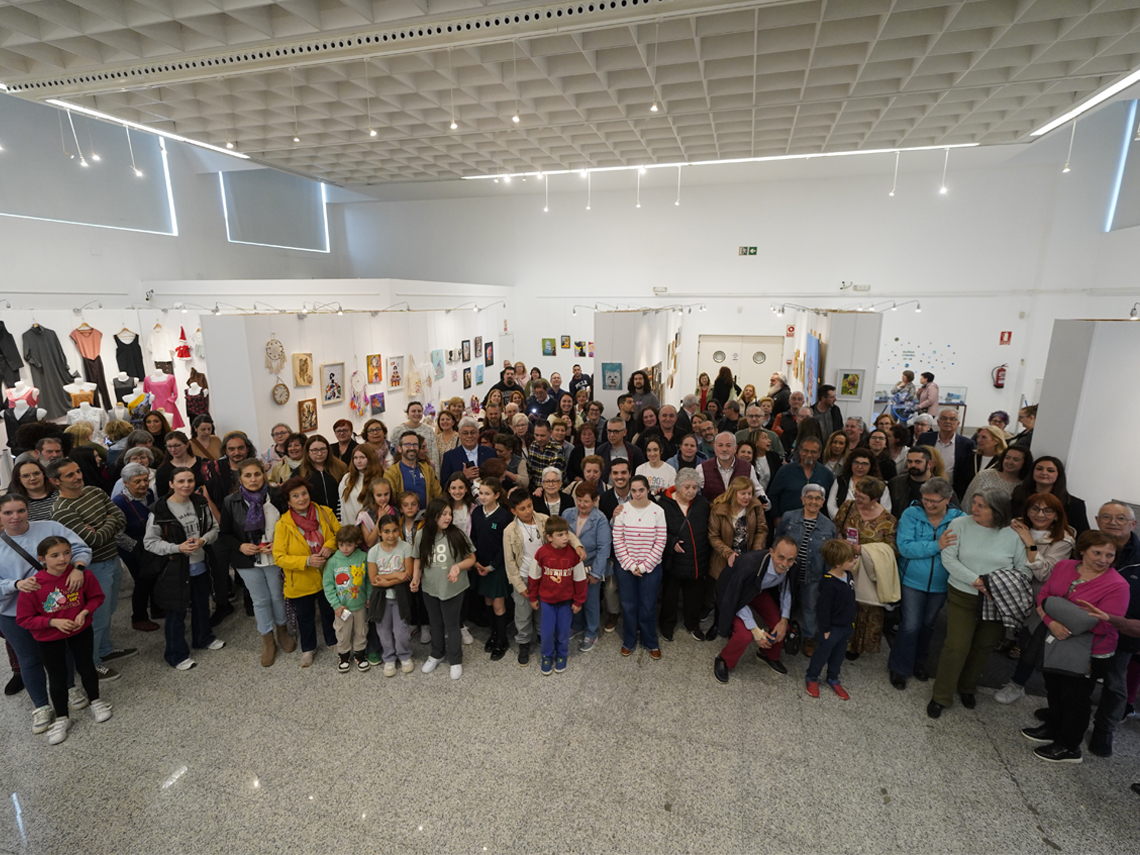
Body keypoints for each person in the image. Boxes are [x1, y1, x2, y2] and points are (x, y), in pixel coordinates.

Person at [1020, 531, 1129, 764]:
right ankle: (1053, 728)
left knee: (1075, 698)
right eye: (1097, 552)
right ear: (1082, 551)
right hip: (1056, 638)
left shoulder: (1118, 585)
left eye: (1110, 555)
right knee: (1054, 687)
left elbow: (1102, 625)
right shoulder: (1064, 566)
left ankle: (1069, 746)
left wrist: (1059, 615)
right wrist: (1052, 622)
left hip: (1091, 651)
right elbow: (1044, 598)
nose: (1103, 559)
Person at [927, 489, 1028, 719]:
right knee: (957, 645)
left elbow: (1023, 568)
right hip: (963, 594)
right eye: (975, 503)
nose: (974, 509)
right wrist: (977, 581)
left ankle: (967, 687)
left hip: (996, 599)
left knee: (983, 646)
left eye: (981, 506)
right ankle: (941, 696)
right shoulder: (960, 524)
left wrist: (997, 586)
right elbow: (949, 557)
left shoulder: (1012, 535)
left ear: (998, 510)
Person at [1, 494, 92, 735]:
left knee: (62, 648)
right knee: (29, 659)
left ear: (28, 510)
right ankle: (41, 706)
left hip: (57, 607)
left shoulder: (50, 527)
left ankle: (70, 687)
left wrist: (79, 569)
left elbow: (81, 548)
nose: (15, 517)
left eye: (20, 510)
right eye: (8, 513)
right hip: (13, 612)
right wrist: (15, 585)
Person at [16, 536, 111, 745]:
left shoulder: (82, 576)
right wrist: (52, 623)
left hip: (81, 630)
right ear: (42, 558)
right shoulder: (34, 585)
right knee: (57, 676)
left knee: (86, 667)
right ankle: (61, 717)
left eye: (67, 553)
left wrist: (84, 612)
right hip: (49, 637)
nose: (63, 559)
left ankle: (95, 701)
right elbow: (24, 619)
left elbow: (97, 597)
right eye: (55, 555)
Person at [46, 458, 131, 680]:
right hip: (93, 567)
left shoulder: (94, 491)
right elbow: (93, 541)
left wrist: (105, 524)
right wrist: (107, 521)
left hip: (113, 559)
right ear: (56, 481)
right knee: (97, 616)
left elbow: (121, 518)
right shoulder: (62, 511)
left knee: (110, 609)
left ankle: (104, 650)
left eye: (78, 471)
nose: (78, 476)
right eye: (70, 475)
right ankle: (90, 664)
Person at [993, 492, 1075, 704]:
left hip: (1037, 599)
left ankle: (1017, 684)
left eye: (1047, 510)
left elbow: (1043, 573)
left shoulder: (1064, 539)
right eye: (1035, 509)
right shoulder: (1015, 526)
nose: (1040, 514)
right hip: (1007, 590)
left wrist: (1029, 542)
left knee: (1029, 644)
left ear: (1057, 515)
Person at [144, 467, 225, 671]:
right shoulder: (159, 510)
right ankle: (176, 654)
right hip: (174, 568)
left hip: (201, 564)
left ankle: (203, 638)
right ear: (171, 484)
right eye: (180, 481)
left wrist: (204, 540)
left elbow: (215, 528)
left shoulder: (200, 502)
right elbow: (150, 542)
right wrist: (177, 548)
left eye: (189, 480)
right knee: (176, 613)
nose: (186, 485)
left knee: (201, 605)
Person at [889, 478, 964, 690]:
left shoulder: (960, 520)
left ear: (948, 500)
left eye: (935, 502)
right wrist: (937, 545)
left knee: (928, 625)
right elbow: (905, 548)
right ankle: (899, 667)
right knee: (910, 625)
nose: (929, 505)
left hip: (942, 583)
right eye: (925, 500)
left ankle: (919, 662)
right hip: (912, 580)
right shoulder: (911, 514)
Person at [218, 458, 292, 667]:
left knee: (278, 596)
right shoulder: (230, 501)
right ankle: (267, 640)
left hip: (275, 557)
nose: (253, 479)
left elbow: (290, 525)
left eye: (257, 474)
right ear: (240, 478)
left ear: (264, 475)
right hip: (246, 559)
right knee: (260, 600)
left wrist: (278, 543)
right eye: (247, 475)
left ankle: (282, 631)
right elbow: (224, 534)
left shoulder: (277, 496)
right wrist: (240, 546)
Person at [1089, 502, 1140, 754]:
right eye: (1106, 517)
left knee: (1114, 684)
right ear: (1097, 520)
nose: (1113, 522)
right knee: (1078, 676)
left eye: (1121, 518)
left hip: (1123, 632)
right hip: (1084, 626)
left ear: (1133, 524)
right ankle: (1066, 715)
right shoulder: (1088, 547)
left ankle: (1104, 731)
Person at [273, 477, 340, 668]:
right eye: (295, 496)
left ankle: (332, 641)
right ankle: (308, 648)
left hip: (326, 575)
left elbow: (340, 534)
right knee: (305, 616)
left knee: (329, 612)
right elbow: (279, 557)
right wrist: (306, 561)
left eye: (304, 493)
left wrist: (329, 545)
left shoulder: (324, 513)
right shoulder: (283, 524)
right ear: (288, 501)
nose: (301, 498)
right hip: (300, 579)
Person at [712, 537, 797, 683]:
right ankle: (724, 659)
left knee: (782, 626)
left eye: (790, 560)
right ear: (771, 552)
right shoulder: (749, 565)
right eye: (781, 557)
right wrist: (755, 629)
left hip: (756, 590)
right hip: (731, 593)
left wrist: (784, 619)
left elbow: (786, 591)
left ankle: (768, 654)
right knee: (744, 635)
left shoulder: (792, 566)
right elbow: (736, 597)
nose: (785, 564)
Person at [831, 477, 897, 659]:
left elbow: (892, 550)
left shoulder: (888, 521)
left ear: (875, 499)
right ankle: (840, 640)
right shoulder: (847, 507)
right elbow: (835, 528)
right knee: (844, 605)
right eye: (856, 494)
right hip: (845, 566)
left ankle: (856, 646)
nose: (857, 499)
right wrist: (840, 541)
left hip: (869, 573)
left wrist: (864, 550)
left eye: (862, 497)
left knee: (865, 610)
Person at [412, 498, 476, 680]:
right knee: (435, 622)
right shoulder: (422, 535)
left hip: (453, 588)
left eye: (450, 514)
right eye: (443, 514)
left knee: (452, 624)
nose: (448, 518)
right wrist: (416, 576)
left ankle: (455, 659)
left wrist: (458, 567)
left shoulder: (457, 535)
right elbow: (417, 557)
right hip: (430, 587)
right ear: (433, 516)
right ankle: (437, 654)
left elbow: (471, 558)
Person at [774, 484, 837, 659]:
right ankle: (780, 632)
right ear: (802, 499)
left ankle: (809, 637)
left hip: (814, 575)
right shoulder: (789, 518)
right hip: (788, 572)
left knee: (811, 607)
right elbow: (778, 541)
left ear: (823, 502)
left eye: (818, 498)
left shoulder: (829, 527)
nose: (813, 501)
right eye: (809, 497)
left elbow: (830, 556)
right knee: (784, 602)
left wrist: (827, 579)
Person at [611, 475, 667, 658]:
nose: (637, 494)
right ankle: (629, 640)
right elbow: (617, 539)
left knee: (648, 605)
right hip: (626, 567)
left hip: (651, 568)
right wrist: (629, 565)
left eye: (641, 490)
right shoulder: (623, 511)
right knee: (628, 605)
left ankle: (650, 641)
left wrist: (643, 567)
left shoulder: (658, 511)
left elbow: (661, 541)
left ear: (647, 490)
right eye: (633, 490)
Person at [528, 516, 587, 675]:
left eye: (566, 533)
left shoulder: (574, 555)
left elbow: (580, 579)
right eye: (560, 535)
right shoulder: (542, 553)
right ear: (549, 537)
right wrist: (533, 597)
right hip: (547, 601)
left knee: (563, 630)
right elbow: (534, 577)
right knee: (546, 631)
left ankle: (562, 655)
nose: (565, 538)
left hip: (566, 602)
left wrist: (579, 601)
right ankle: (547, 655)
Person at [805, 539, 858, 700]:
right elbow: (823, 610)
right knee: (822, 653)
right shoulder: (828, 584)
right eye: (851, 560)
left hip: (846, 626)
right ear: (838, 563)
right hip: (831, 629)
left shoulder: (848, 575)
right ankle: (812, 677)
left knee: (839, 654)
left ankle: (833, 677)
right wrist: (825, 629)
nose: (854, 561)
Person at [563, 480, 612, 652]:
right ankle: (577, 626)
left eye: (586, 501)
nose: (582, 504)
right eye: (579, 499)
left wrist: (596, 573)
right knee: (573, 599)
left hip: (591, 568)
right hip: (570, 568)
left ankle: (591, 631)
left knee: (590, 602)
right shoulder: (567, 513)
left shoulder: (600, 519)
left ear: (595, 500)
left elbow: (603, 548)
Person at [112, 462, 159, 633]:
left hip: (150, 544)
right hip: (133, 550)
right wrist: (137, 548)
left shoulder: (150, 493)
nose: (143, 484)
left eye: (145, 480)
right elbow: (117, 533)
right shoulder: (118, 503)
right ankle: (138, 617)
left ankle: (157, 608)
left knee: (153, 577)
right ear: (125, 483)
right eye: (137, 481)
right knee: (142, 581)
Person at [366, 514, 415, 676]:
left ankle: (404, 655)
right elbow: (374, 579)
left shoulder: (405, 547)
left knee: (401, 629)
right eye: (386, 531)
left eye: (395, 531)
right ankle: (389, 657)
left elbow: (407, 574)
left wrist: (385, 579)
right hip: (381, 598)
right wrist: (395, 577)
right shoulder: (373, 551)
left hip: (400, 597)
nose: (391, 535)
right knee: (383, 629)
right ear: (380, 532)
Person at [469, 476, 512, 659]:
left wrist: (492, 566)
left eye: (487, 494)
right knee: (487, 600)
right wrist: (477, 561)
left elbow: (505, 545)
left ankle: (502, 640)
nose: (483, 497)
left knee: (498, 603)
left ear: (496, 495)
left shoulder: (504, 516)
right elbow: (474, 538)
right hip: (481, 565)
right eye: (481, 493)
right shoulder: (477, 513)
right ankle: (493, 634)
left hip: (497, 566)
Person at [321, 525, 371, 674]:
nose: (345, 548)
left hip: (360, 605)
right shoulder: (333, 561)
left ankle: (360, 655)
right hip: (342, 608)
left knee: (361, 630)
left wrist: (369, 596)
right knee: (342, 632)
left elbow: (368, 580)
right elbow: (328, 585)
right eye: (341, 544)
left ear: (356, 543)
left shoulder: (363, 557)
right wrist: (336, 605)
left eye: (349, 544)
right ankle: (343, 656)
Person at [1010, 456, 1089, 535]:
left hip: (1050, 545)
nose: (1044, 473)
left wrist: (1031, 545)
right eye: (1039, 469)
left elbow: (1083, 536)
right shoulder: (1018, 496)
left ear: (1058, 475)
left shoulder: (1074, 504)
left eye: (1050, 471)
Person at [767, 438, 834, 521]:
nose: (809, 455)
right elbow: (773, 496)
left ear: (819, 454)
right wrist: (776, 519)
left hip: (816, 525)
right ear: (800, 451)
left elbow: (829, 501)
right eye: (805, 450)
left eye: (813, 452)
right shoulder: (785, 471)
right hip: (788, 523)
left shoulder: (826, 474)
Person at [698, 432, 767, 503]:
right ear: (714, 447)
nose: (724, 449)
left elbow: (757, 490)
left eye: (728, 445)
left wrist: (765, 502)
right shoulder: (702, 468)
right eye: (720, 445)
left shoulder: (747, 467)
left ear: (735, 448)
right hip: (711, 512)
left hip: (740, 512)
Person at [383, 433, 442, 512]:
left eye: (415, 445)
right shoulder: (391, 473)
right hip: (402, 520)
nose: (412, 448)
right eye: (407, 444)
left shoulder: (428, 469)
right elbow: (390, 501)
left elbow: (438, 494)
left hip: (426, 519)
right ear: (399, 448)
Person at [960, 445, 1032, 509]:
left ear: (1025, 463)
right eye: (1007, 458)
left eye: (1016, 460)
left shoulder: (1023, 485)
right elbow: (968, 501)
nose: (1009, 462)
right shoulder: (984, 475)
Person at [827, 448, 892, 518]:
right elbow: (831, 505)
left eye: (864, 464)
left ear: (871, 465)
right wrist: (844, 519)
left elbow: (886, 510)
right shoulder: (841, 480)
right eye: (856, 462)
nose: (859, 467)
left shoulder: (880, 485)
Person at [300, 434, 347, 519]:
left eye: (323, 449)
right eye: (315, 450)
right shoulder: (300, 472)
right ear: (307, 452)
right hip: (313, 518)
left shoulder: (341, 467)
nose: (319, 453)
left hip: (340, 516)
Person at [886, 446, 944, 514]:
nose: (913, 465)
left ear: (929, 464)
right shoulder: (895, 483)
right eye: (910, 461)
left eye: (918, 462)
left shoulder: (941, 486)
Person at [339, 444, 384, 526]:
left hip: (372, 527)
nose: (358, 461)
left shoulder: (380, 477)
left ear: (370, 458)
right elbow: (342, 505)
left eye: (362, 457)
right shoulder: (347, 478)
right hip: (351, 527)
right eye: (355, 458)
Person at [526, 421, 565, 488]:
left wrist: (541, 488)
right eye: (536, 435)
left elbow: (553, 476)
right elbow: (529, 470)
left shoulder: (557, 449)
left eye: (542, 436)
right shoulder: (533, 445)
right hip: (534, 488)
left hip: (551, 488)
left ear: (550, 433)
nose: (539, 439)